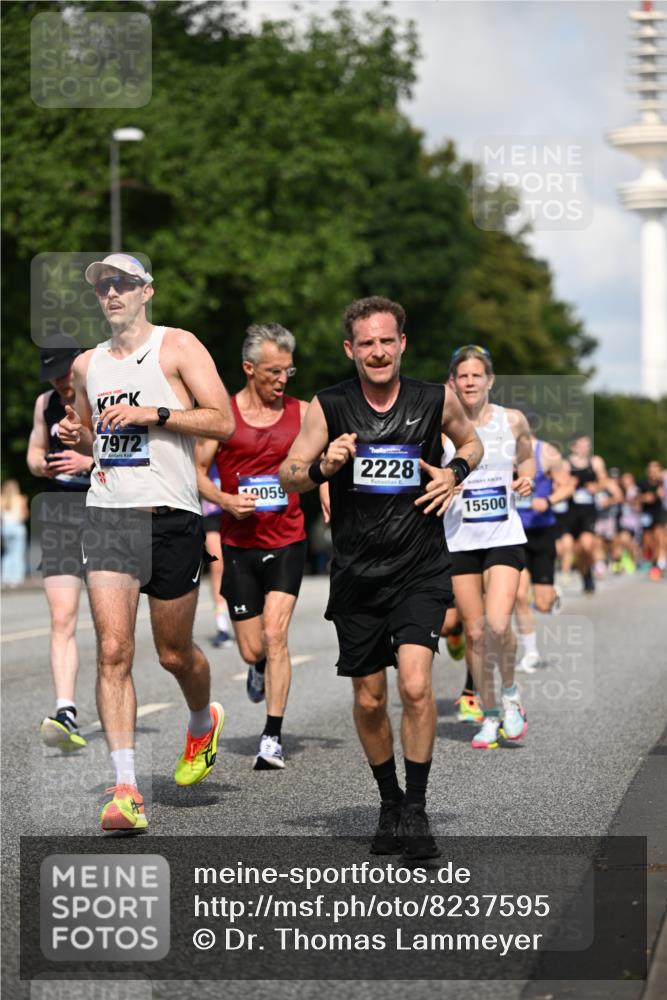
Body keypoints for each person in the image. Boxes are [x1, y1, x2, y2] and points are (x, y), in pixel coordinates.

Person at [280, 296, 483, 860]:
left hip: (420, 566)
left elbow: (471, 441)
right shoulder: (329, 405)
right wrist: (324, 465)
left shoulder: (432, 398)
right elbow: (289, 472)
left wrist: (455, 473)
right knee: (370, 702)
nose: (376, 351)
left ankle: (416, 811)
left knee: (416, 686)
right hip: (357, 574)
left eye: (385, 340)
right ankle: (389, 802)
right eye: (365, 343)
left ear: (402, 344)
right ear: (351, 349)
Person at [58, 253, 235, 832]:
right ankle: (127, 789)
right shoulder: (87, 365)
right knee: (114, 651)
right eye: (103, 286)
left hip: (171, 516)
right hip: (108, 513)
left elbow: (223, 420)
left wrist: (153, 412)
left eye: (122, 284)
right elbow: (91, 429)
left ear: (146, 291)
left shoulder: (177, 347)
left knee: (173, 653)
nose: (111, 293)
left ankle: (200, 722)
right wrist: (74, 433)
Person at [196, 324, 308, 770]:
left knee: (276, 635)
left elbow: (319, 462)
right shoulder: (221, 413)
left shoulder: (304, 412)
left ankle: (271, 736)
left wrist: (320, 486)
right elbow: (198, 471)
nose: (282, 379)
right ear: (248, 368)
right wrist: (224, 500)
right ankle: (257, 666)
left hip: (288, 537)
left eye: (288, 370)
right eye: (273, 371)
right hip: (238, 542)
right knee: (251, 647)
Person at [442, 345, 535, 750]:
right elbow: (426, 468)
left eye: (476, 375)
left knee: (499, 625)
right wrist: (445, 482)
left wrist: (526, 478)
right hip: (460, 538)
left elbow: (528, 458)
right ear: (452, 382)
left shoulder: (511, 421)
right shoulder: (441, 426)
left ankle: (511, 694)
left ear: (489, 380)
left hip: (504, 536)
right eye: (462, 376)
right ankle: (489, 712)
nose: (469, 382)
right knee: (477, 633)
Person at [27, 333, 94, 750]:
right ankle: (66, 708)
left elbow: (134, 450)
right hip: (60, 513)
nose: (61, 384)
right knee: (61, 617)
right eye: (53, 378)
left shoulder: (104, 391)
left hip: (104, 510)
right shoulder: (44, 404)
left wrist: (88, 460)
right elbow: (35, 451)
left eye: (64, 374)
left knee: (111, 626)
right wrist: (41, 465)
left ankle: (114, 694)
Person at [514, 428, 574, 673]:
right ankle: (531, 652)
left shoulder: (547, 452)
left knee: (543, 602)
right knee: (519, 595)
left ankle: (552, 595)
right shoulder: (500, 450)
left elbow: (567, 487)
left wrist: (548, 501)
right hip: (514, 533)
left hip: (541, 533)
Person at [561, 434, 608, 594]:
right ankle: (585, 574)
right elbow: (559, 484)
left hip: (588, 511)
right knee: (576, 549)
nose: (585, 447)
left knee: (587, 546)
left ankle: (588, 573)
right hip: (571, 512)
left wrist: (597, 487)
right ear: (573, 446)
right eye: (582, 444)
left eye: (587, 444)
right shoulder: (565, 464)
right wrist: (568, 484)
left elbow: (603, 480)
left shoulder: (595, 462)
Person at [200, 459, 233, 647]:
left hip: (236, 514)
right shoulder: (203, 450)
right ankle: (222, 627)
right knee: (217, 565)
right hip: (213, 516)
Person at [638, 460, 666, 580]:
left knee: (659, 538)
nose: (653, 471)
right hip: (646, 514)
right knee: (648, 542)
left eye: (655, 468)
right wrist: (645, 498)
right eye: (651, 468)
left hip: (659, 513)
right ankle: (653, 561)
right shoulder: (642, 483)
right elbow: (635, 498)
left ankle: (657, 566)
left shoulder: (662, 482)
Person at [1, 480, 29, 587]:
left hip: (5, 528)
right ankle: (16, 578)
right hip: (18, 527)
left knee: (7, 553)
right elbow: (24, 515)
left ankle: (5, 577)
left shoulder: (2, 499)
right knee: (18, 553)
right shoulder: (21, 499)